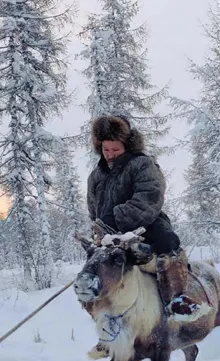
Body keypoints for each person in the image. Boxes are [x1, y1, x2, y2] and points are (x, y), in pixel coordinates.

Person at [86, 114, 201, 318]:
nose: (110, 155)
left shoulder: (142, 165)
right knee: (94, 264)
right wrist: (100, 228)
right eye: (106, 150)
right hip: (111, 234)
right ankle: (104, 316)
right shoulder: (96, 177)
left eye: (115, 149)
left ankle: (177, 298)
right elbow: (93, 208)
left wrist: (116, 218)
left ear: (126, 146)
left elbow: (149, 197)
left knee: (167, 242)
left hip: (147, 225)